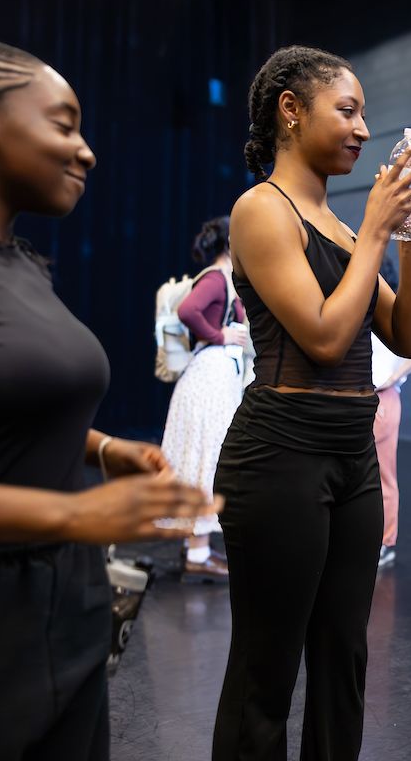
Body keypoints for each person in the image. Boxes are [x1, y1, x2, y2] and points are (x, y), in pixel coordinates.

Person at [0, 35, 217, 760]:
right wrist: (69, 511)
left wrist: (105, 449)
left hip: (61, 612)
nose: (87, 151)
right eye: (63, 123)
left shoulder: (20, 266)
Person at [211, 45, 411, 760]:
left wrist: (409, 240)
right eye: (348, 109)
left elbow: (403, 333)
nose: (364, 129)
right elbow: (320, 336)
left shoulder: (345, 228)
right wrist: (375, 228)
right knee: (266, 669)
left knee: (345, 661)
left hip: (350, 454)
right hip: (280, 455)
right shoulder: (261, 209)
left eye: (364, 114)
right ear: (291, 110)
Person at [161, 215, 248, 583]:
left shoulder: (226, 279)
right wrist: (219, 335)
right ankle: (196, 552)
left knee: (206, 455)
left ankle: (195, 547)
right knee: (205, 456)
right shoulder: (215, 277)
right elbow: (188, 311)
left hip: (214, 376)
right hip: (209, 376)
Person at [371, 257, 411, 568]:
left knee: (383, 475)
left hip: (381, 399)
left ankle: (384, 541)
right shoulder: (367, 309)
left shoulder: (391, 310)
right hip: (363, 398)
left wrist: (393, 378)